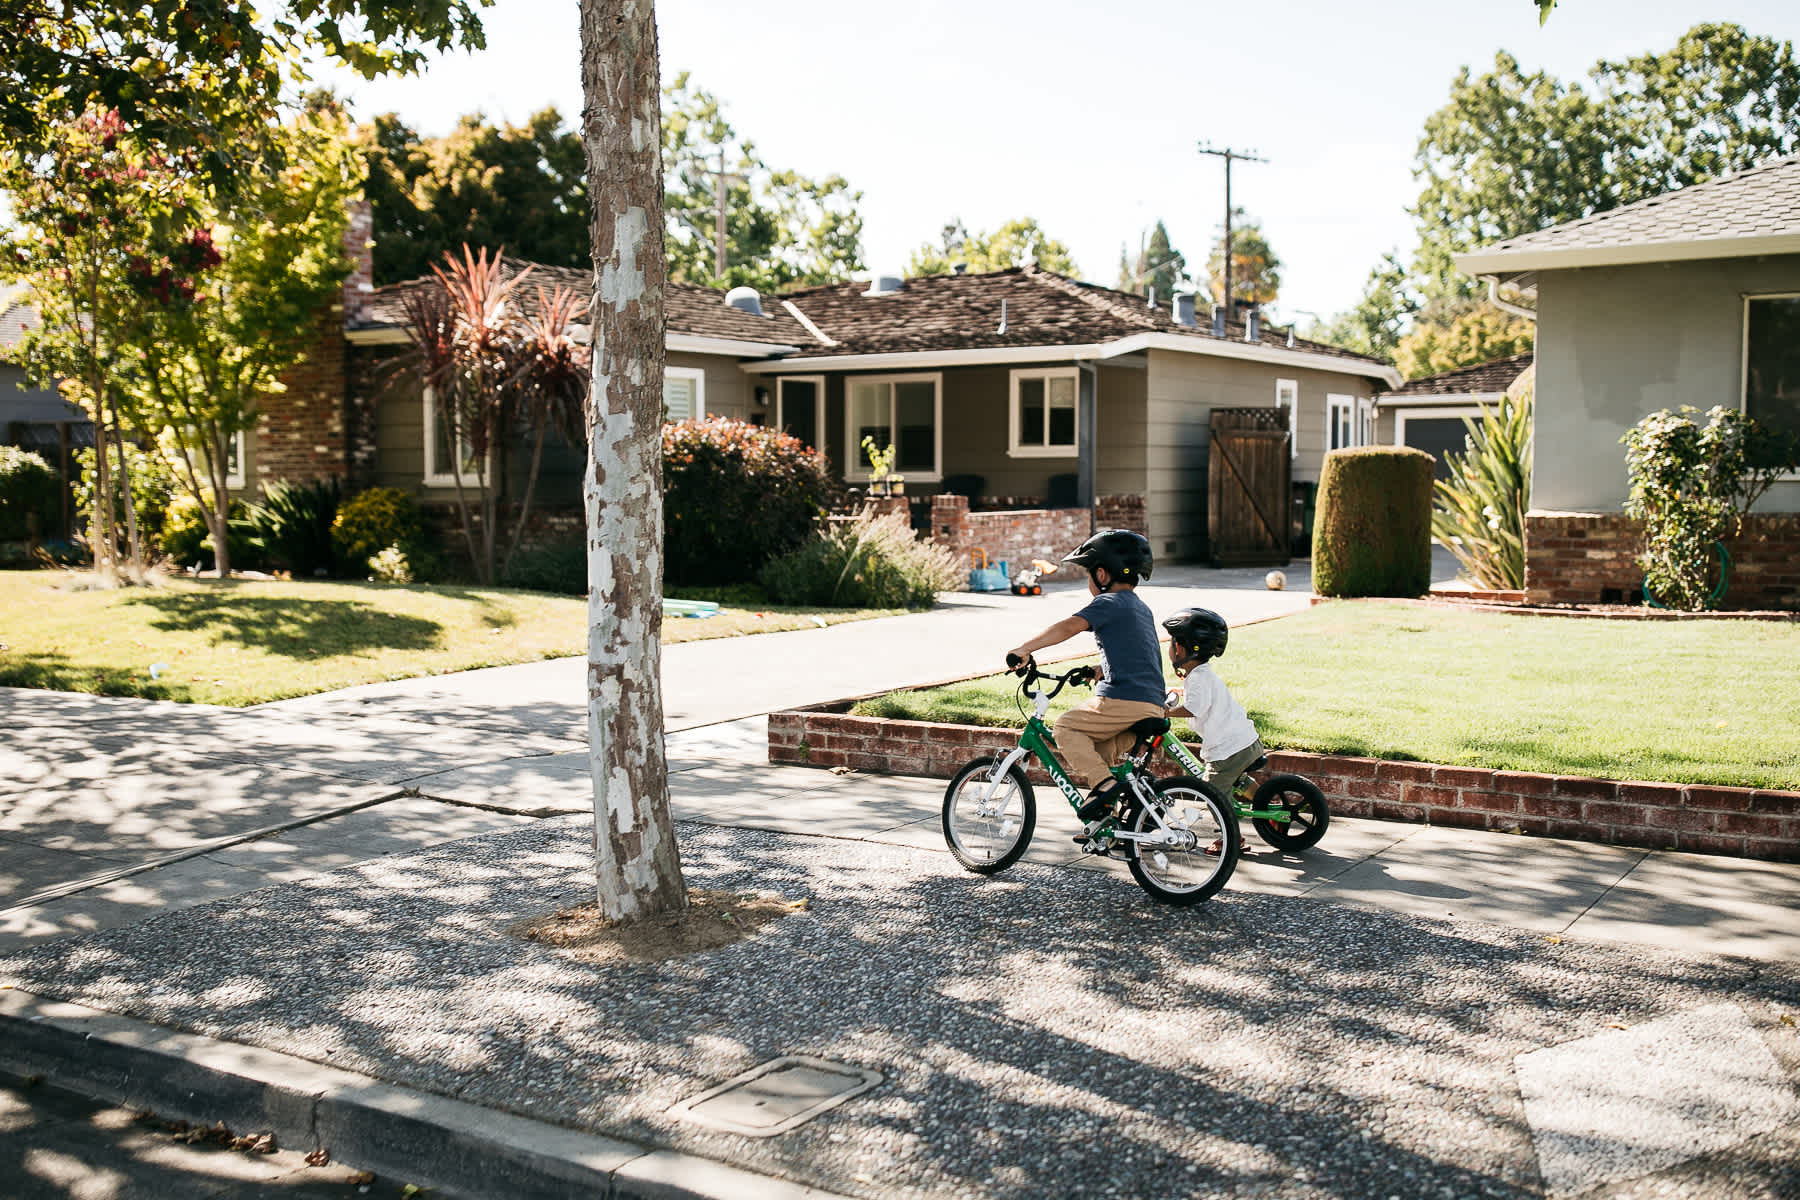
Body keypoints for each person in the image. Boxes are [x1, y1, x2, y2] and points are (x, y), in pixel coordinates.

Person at [1006, 529, 1165, 824]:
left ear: (1102, 574)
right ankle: (1108, 824)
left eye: (1088, 575)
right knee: (1098, 754)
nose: (1088, 582)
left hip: (1124, 700)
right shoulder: (1139, 607)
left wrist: (1025, 649)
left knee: (1065, 727)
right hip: (1151, 704)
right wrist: (1100, 670)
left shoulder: (1109, 602)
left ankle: (1104, 785)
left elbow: (1068, 626)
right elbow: (1138, 653)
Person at [1161, 607, 1264, 801]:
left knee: (1211, 795)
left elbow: (1193, 708)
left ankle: (1229, 821)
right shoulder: (1201, 673)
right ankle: (1265, 801)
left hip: (1229, 750)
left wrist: (1167, 712)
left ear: (1180, 649)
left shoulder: (1197, 678)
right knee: (1235, 779)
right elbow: (1203, 696)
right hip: (1243, 743)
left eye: (1171, 643)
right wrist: (1180, 691)